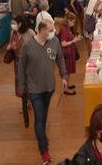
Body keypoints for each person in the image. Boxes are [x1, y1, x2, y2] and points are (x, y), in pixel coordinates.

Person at [18, 19, 68, 164]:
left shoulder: (55, 42)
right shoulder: (27, 45)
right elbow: (21, 68)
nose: (53, 32)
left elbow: (60, 59)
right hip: (34, 90)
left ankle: (42, 136)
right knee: (39, 119)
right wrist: (21, 86)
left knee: (44, 115)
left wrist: (64, 76)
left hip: (49, 88)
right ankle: (44, 151)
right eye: (50, 30)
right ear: (41, 30)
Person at [7, 16, 35, 104]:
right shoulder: (13, 33)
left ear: (20, 24)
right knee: (20, 80)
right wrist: (10, 47)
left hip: (29, 60)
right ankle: (25, 101)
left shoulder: (30, 32)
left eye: (14, 23)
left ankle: (31, 99)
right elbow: (9, 45)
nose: (12, 25)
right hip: (17, 60)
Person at [54, 14, 82, 95]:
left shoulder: (66, 28)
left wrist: (75, 38)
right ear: (69, 20)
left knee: (68, 71)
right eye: (73, 22)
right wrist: (73, 41)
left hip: (69, 53)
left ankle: (67, 85)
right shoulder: (64, 30)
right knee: (66, 71)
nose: (73, 23)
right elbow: (63, 43)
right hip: (66, 53)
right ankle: (65, 89)